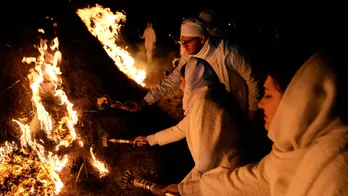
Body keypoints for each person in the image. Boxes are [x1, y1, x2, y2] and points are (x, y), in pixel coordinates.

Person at [164, 49, 348, 196]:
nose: (261, 103)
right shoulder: (289, 152)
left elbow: (206, 162)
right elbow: (254, 180)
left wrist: (187, 186)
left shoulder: (335, 173)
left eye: (268, 94)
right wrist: (186, 189)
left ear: (299, 101)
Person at [134, 57, 243, 186]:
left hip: (223, 176)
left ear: (192, 80)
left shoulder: (205, 105)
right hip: (216, 170)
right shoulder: (203, 100)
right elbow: (180, 129)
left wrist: (187, 187)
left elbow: (206, 160)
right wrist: (149, 139)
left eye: (181, 81)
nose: (180, 87)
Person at [126, 17, 260, 120]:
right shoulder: (188, 57)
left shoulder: (228, 54)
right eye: (182, 42)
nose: (183, 46)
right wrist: (144, 102)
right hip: (211, 113)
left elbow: (252, 78)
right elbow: (172, 81)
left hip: (235, 109)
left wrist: (253, 106)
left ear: (201, 39)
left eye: (187, 42)